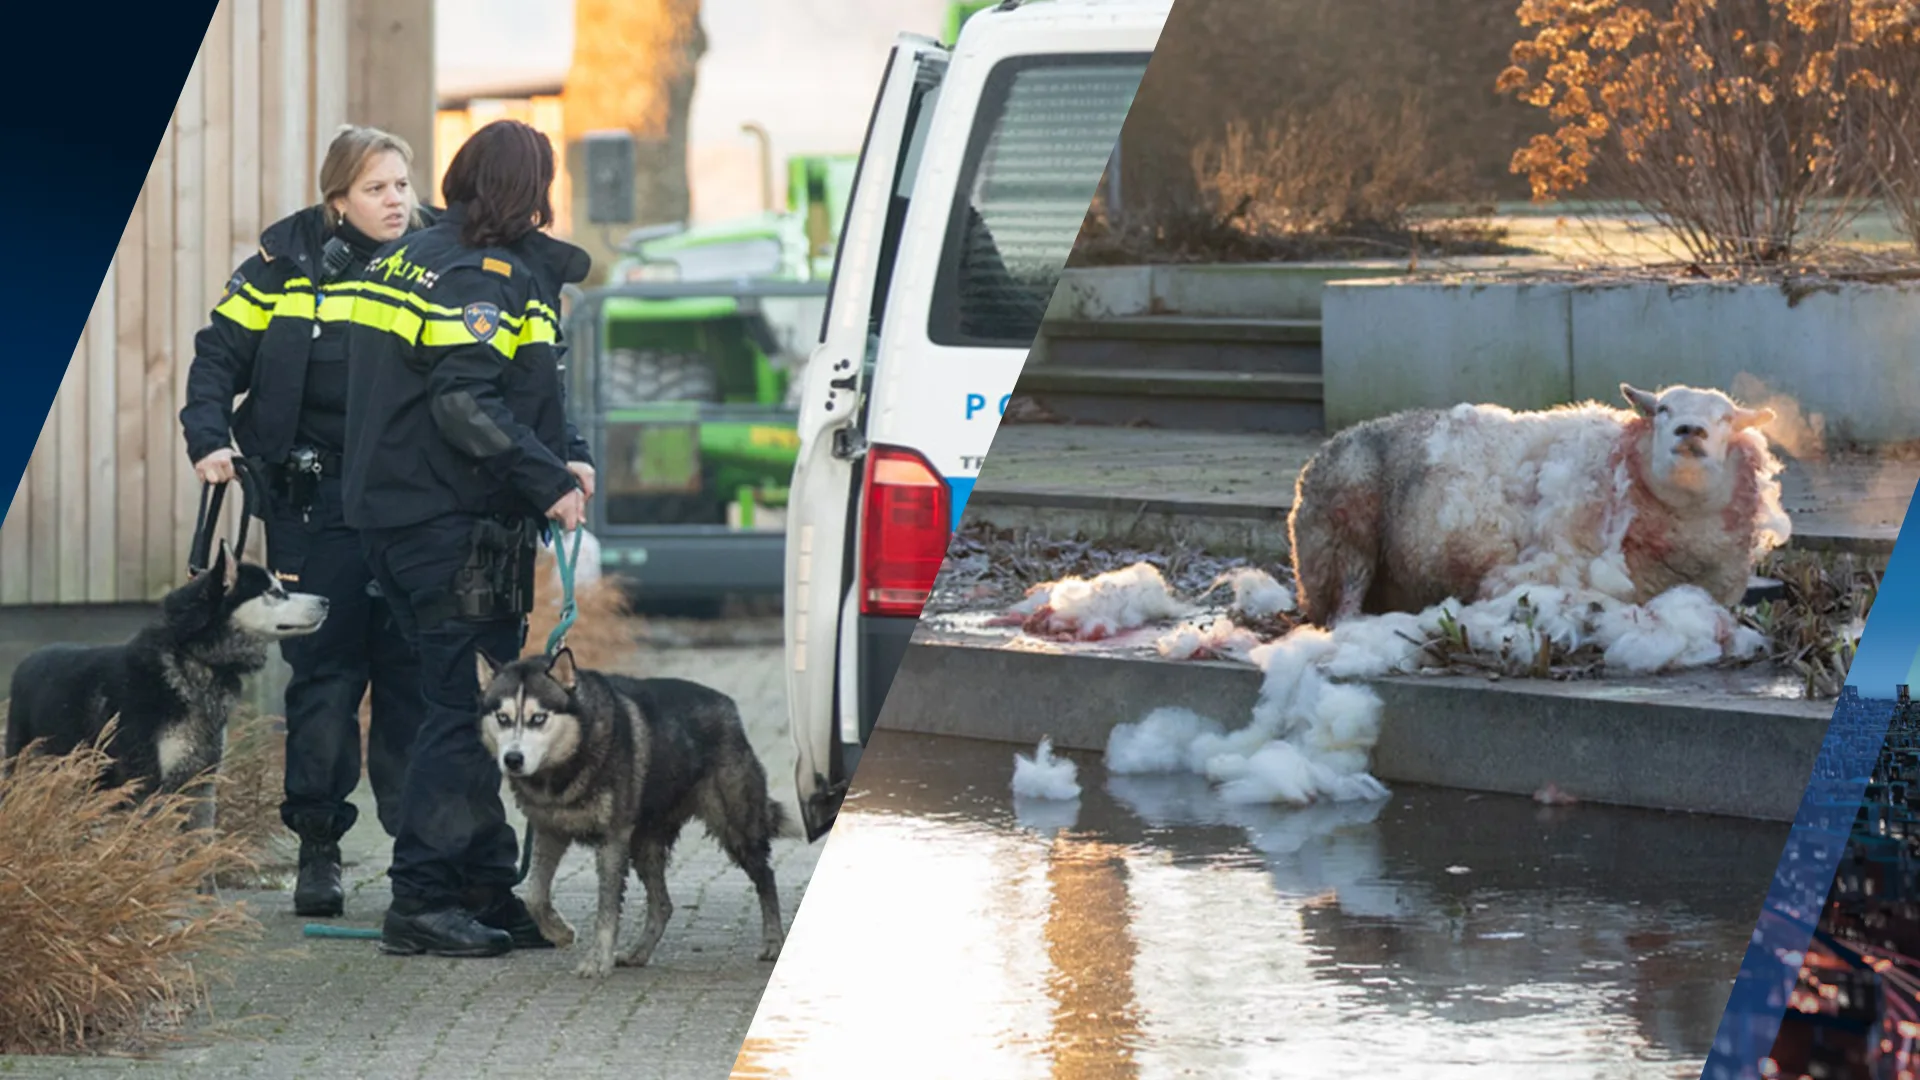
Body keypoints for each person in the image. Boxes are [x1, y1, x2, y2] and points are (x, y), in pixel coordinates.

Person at [342, 118, 596, 957]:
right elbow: (464, 403)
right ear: (528, 189)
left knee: (462, 708)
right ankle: (419, 901)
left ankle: (484, 885)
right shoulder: (481, 276)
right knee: (463, 714)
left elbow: (515, 393)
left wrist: (568, 454)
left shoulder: (408, 258)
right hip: (452, 528)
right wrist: (551, 481)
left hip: (394, 518)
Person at [179, 124, 434, 919]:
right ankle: (319, 849)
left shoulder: (439, 263)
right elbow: (218, 355)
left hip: (413, 510)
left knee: (410, 686)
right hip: (312, 508)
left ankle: (416, 857)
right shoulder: (279, 270)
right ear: (337, 201)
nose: (396, 201)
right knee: (324, 683)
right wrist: (209, 437)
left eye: (402, 185)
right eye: (376, 189)